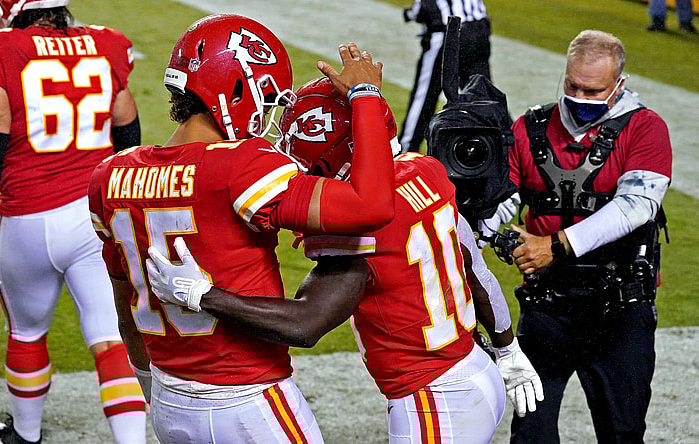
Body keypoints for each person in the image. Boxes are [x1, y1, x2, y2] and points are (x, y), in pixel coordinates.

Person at [146, 77, 544, 443]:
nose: (290, 154)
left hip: (432, 398)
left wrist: (203, 295)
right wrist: (508, 348)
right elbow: (475, 270)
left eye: (300, 142)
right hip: (476, 369)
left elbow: (305, 322)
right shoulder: (426, 170)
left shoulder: (354, 225)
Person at [87, 14, 396, 444]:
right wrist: (366, 96)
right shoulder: (241, 164)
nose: (266, 114)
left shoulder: (109, 175)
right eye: (265, 97)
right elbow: (374, 204)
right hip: (249, 401)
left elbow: (126, 308)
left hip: (169, 399)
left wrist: (149, 384)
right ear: (233, 89)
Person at [0, 1, 147, 443]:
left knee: (26, 333)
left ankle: (25, 435)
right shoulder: (108, 43)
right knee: (111, 339)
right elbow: (128, 138)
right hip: (93, 221)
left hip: (28, 219)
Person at [483, 30, 671, 443]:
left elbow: (636, 207)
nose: (580, 97)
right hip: (547, 308)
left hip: (620, 312)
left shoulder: (646, 129)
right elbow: (503, 199)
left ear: (618, 85)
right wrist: (481, 231)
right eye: (573, 85)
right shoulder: (529, 127)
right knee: (530, 433)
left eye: (594, 90)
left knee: (621, 432)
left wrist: (552, 245)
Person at [399, 0, 492, 153]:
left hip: (448, 32)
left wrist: (410, 13)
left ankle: (405, 151)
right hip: (479, 29)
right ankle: (508, 148)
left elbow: (425, 8)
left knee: (424, 97)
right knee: (485, 100)